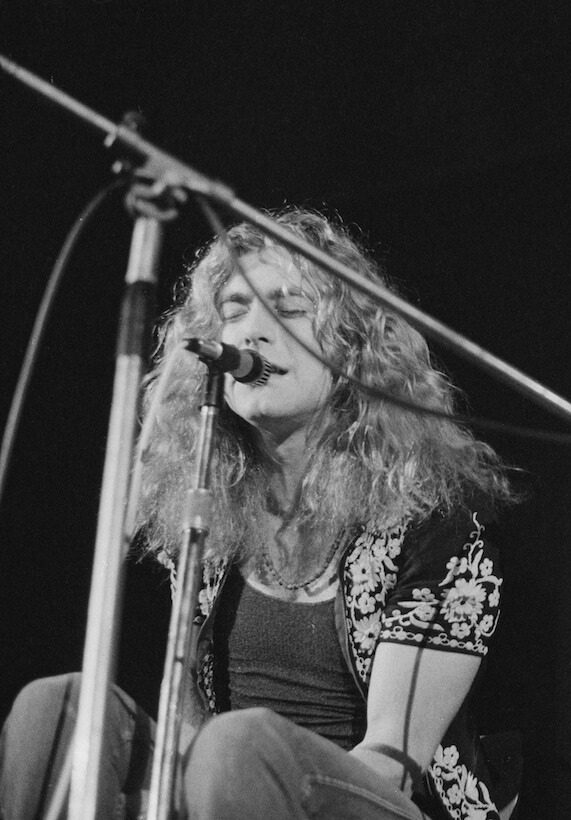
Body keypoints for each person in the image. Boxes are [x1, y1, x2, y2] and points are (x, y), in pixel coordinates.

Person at [0, 208, 518, 820]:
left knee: (238, 743)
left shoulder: (431, 514)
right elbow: (189, 722)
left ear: (351, 346)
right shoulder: (205, 502)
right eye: (236, 308)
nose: (252, 331)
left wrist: (244, 763)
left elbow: (392, 764)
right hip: (229, 784)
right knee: (57, 708)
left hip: (380, 801)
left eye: (289, 308)